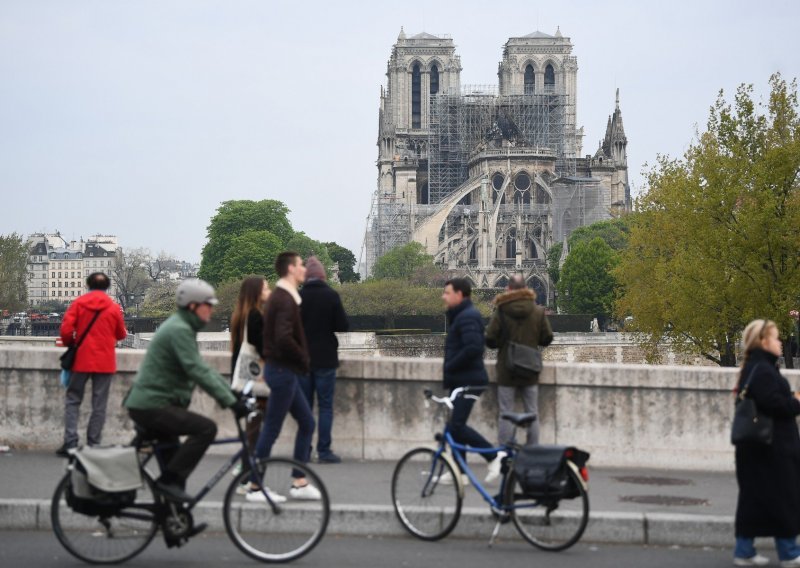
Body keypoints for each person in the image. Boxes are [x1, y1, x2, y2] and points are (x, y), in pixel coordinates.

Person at [123, 279, 248, 503]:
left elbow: (202, 369)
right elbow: (196, 369)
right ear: (192, 306)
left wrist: (231, 394)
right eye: (207, 305)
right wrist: (231, 401)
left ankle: (173, 522)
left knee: (174, 465)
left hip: (153, 403)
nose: (211, 310)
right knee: (205, 429)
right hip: (153, 405)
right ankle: (168, 485)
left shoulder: (181, 326)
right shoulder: (179, 329)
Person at [248, 252, 321, 501]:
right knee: (271, 429)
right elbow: (282, 337)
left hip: (281, 371)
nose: (304, 270)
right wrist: (303, 358)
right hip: (282, 371)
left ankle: (298, 482)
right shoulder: (284, 299)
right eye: (301, 265)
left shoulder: (283, 298)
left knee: (306, 423)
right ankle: (255, 485)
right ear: (291, 269)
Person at [733, 319, 800, 566]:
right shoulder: (763, 369)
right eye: (776, 338)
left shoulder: (754, 366)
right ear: (763, 341)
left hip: (757, 447)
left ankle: (744, 550)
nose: (781, 342)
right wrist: (796, 402)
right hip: (772, 448)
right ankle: (789, 552)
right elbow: (775, 405)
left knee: (754, 498)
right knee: (784, 497)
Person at [441, 278, 504, 485]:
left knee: (456, 426)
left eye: (447, 292)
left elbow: (474, 348)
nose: (443, 296)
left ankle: (493, 456)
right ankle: (460, 471)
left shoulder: (467, 316)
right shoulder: (463, 315)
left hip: (468, 380)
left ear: (460, 294)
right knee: (454, 427)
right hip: (464, 379)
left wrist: (450, 365)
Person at [57, 272, 127, 456]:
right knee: (99, 404)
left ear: (88, 285)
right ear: (107, 287)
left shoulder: (79, 304)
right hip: (105, 362)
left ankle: (70, 443)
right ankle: (93, 444)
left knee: (73, 400)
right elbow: (121, 334)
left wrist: (70, 343)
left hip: (81, 359)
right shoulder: (113, 308)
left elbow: (65, 330)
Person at [485, 274, 553, 446]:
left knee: (506, 412)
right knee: (532, 412)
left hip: (507, 369)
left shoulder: (501, 310)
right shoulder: (537, 312)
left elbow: (490, 339)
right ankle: (532, 451)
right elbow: (547, 338)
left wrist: (504, 344)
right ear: (526, 288)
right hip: (530, 368)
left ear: (508, 289)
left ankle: (504, 453)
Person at [298, 256, 350, 464]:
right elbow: (343, 326)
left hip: (303, 359)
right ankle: (324, 450)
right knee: (325, 407)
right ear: (323, 276)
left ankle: (304, 450)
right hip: (326, 359)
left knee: (306, 407)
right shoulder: (331, 295)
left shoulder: (299, 297)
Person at [230, 276, 271, 461]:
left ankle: (247, 470)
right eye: (265, 289)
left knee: (253, 429)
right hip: (254, 380)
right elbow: (263, 348)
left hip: (244, 378)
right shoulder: (254, 315)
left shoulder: (241, 315)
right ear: (256, 293)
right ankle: (248, 473)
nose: (269, 292)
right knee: (256, 429)